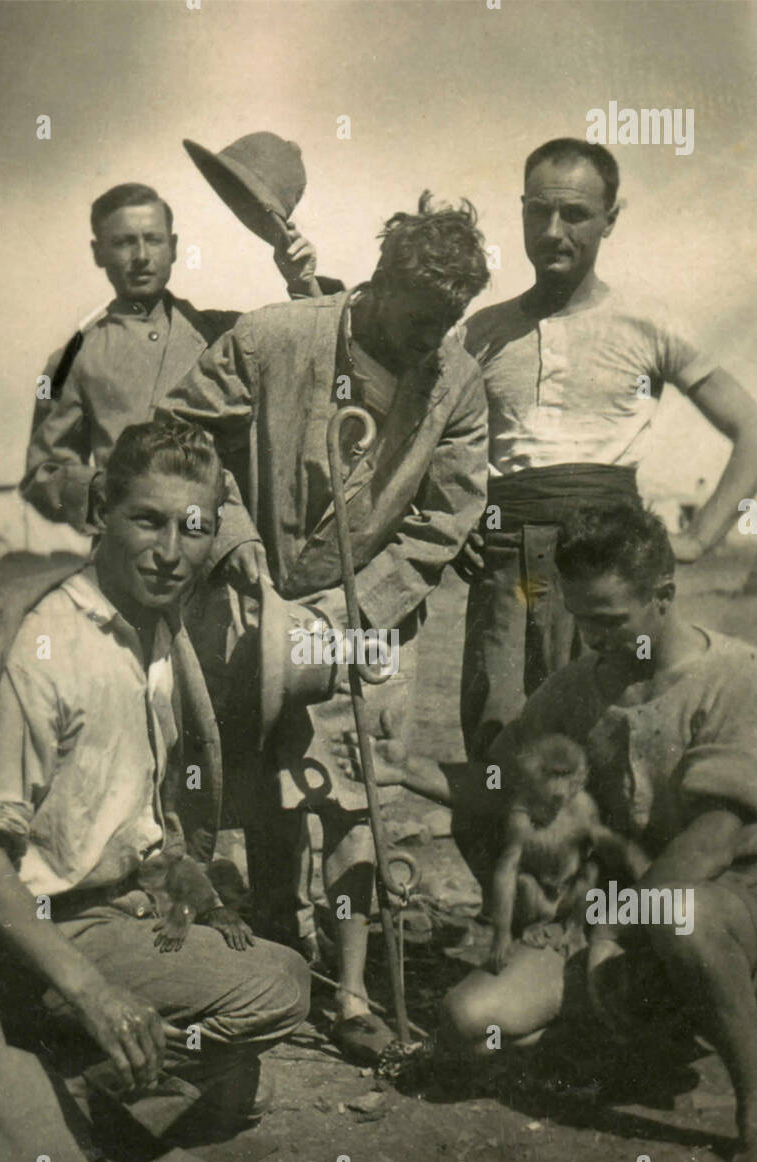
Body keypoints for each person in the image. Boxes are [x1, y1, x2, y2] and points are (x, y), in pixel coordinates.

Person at [337, 505, 757, 1162]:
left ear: (662, 595)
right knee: (473, 1020)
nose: (592, 636)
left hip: (734, 915)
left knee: (684, 920)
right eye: (580, 617)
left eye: (609, 617)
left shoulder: (738, 679)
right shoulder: (579, 686)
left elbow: (705, 847)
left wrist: (604, 939)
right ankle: (637, 1028)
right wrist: (398, 769)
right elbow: (503, 781)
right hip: (615, 921)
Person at [156, 192, 491, 1061]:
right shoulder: (274, 337)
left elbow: (444, 520)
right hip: (246, 600)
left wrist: (350, 613)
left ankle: (346, 994)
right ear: (375, 287)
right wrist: (227, 540)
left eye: (443, 329)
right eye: (416, 325)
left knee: (357, 802)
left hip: (371, 617)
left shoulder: (455, 382)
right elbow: (180, 432)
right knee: (263, 784)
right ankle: (273, 952)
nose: (427, 346)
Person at [0, 420, 310, 1132]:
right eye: (147, 521)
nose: (170, 553)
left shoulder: (154, 628)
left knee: (240, 1086)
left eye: (193, 527)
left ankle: (91, 1071)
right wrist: (92, 992)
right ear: (99, 512)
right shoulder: (47, 649)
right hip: (39, 934)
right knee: (277, 986)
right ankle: (43, 1091)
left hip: (122, 903)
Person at [457, 138, 757, 758]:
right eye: (538, 212)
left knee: (612, 735)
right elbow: (433, 443)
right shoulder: (479, 333)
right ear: (520, 212)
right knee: (499, 747)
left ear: (610, 219)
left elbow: (755, 432)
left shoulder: (647, 323)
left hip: (608, 567)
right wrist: (452, 517)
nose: (553, 231)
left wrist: (702, 537)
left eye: (574, 214)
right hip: (506, 567)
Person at [21, 181, 333, 588]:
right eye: (123, 243)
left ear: (173, 246)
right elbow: (42, 474)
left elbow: (312, 354)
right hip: (129, 564)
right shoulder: (71, 361)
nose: (141, 256)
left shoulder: (222, 333)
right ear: (99, 252)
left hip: (228, 560)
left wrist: (302, 284)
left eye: (152, 240)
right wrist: (110, 491)